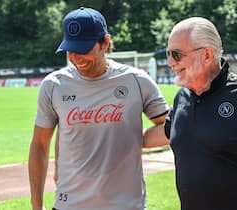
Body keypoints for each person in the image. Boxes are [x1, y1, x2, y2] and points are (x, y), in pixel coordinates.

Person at [144, 17, 237, 210]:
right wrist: (118, 137)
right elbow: (166, 132)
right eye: (168, 54)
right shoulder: (181, 97)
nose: (171, 62)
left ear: (206, 55)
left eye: (176, 54)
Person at [28, 7, 169, 210]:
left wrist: (135, 138)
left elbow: (169, 126)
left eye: (83, 49)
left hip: (127, 206)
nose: (76, 58)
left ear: (105, 42)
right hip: (69, 205)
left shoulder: (137, 81)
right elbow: (40, 145)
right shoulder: (54, 85)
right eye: (70, 50)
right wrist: (36, 206)